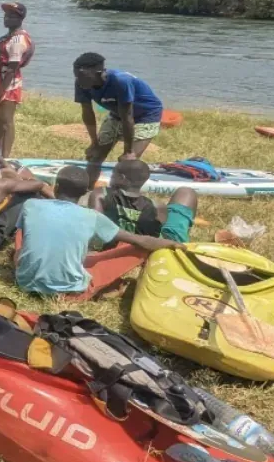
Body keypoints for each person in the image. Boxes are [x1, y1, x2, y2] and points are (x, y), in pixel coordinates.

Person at [15, 165, 181, 296]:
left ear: (56, 186)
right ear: (83, 193)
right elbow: (140, 240)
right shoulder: (92, 217)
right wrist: (173, 244)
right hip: (70, 290)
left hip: (24, 282)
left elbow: (23, 236)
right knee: (137, 247)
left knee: (24, 231)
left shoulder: (31, 205)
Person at [73, 53, 164, 190]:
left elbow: (127, 117)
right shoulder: (81, 83)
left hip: (146, 115)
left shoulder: (121, 81)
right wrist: (94, 143)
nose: (78, 81)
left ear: (98, 72)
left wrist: (128, 151)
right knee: (95, 156)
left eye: (82, 76)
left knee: (127, 164)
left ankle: (118, 196)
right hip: (117, 114)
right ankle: (86, 191)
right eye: (76, 76)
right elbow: (87, 113)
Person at [89, 158, 198, 243]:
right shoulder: (158, 207)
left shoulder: (100, 194)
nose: (111, 178)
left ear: (122, 178)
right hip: (151, 248)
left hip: (112, 244)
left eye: (113, 175)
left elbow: (95, 226)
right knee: (186, 192)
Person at [0, 2, 33, 158]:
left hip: (10, 84)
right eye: (6, 15)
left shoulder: (18, 40)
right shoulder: (8, 37)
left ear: (20, 18)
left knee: (6, 122)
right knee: (0, 122)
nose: (7, 18)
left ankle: (5, 157)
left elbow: (12, 68)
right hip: (3, 80)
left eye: (12, 15)